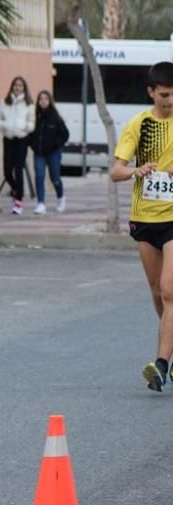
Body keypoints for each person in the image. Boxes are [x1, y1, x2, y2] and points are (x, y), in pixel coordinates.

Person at [110, 61, 173, 392]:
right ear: (151, 92)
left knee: (169, 288)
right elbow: (116, 170)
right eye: (164, 94)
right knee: (155, 291)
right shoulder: (139, 125)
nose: (171, 100)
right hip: (144, 218)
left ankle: (161, 365)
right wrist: (137, 171)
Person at [0, 76, 35, 215]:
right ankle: (17, 190)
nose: (17, 87)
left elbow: (32, 123)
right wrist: (4, 126)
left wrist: (25, 127)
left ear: (24, 88)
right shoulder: (4, 102)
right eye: (15, 85)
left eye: (20, 85)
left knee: (18, 170)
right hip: (8, 139)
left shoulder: (29, 104)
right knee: (7, 171)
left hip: (21, 139)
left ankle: (18, 202)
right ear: (12, 87)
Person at [29, 90, 69, 215]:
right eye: (41, 99)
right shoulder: (35, 117)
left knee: (55, 178)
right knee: (39, 176)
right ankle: (41, 204)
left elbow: (65, 134)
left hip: (53, 153)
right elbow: (30, 133)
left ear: (49, 101)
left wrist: (55, 145)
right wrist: (33, 144)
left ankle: (61, 197)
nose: (43, 101)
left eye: (45, 99)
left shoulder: (55, 117)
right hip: (39, 153)